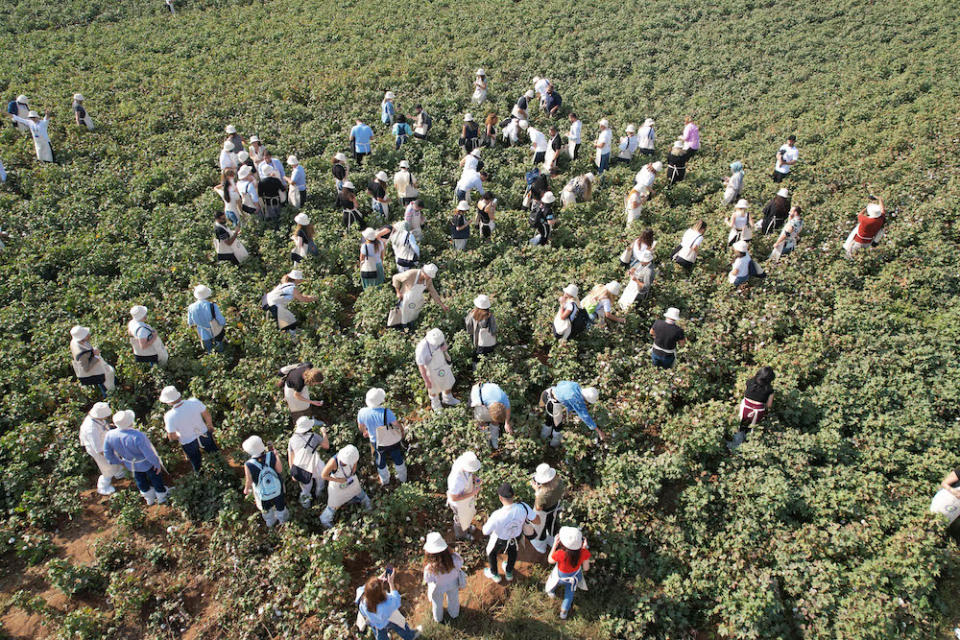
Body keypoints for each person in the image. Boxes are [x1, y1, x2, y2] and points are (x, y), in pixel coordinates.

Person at [104, 410, 168, 505]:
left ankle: (149, 499)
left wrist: (120, 462)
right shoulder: (137, 435)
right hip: (147, 463)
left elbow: (108, 454)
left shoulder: (110, 435)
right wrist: (156, 463)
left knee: (140, 480)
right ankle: (161, 497)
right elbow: (148, 453)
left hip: (130, 464)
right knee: (155, 478)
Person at [482, 483, 539, 583]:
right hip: (515, 537)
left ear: (500, 498)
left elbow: (485, 531)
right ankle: (509, 573)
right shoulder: (523, 507)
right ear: (513, 495)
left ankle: (495, 574)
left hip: (499, 539)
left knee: (491, 553)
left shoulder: (497, 515)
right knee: (513, 553)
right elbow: (537, 521)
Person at [160, 386, 219, 472]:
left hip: (188, 442)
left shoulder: (169, 416)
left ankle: (201, 480)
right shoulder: (194, 402)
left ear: (168, 402)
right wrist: (210, 426)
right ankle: (223, 469)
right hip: (204, 434)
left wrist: (180, 435)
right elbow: (207, 414)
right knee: (216, 456)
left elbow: (172, 436)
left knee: (197, 464)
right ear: (178, 395)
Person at [358, 387, 407, 486]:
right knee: (397, 456)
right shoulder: (386, 412)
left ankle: (385, 480)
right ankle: (403, 478)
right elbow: (396, 424)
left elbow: (361, 427)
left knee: (380, 460)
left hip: (376, 442)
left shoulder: (362, 412)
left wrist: (365, 431)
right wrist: (402, 433)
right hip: (390, 439)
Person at [355, 572, 422, 640]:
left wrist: (377, 580)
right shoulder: (386, 603)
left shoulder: (362, 599)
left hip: (375, 623)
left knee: (380, 636)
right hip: (390, 618)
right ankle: (410, 636)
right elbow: (396, 599)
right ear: (379, 593)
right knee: (401, 625)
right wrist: (391, 583)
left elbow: (365, 588)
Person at [79, 402, 125, 495]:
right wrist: (110, 456)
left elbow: (103, 426)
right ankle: (103, 487)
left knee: (115, 459)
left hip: (105, 442)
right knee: (107, 467)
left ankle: (118, 472)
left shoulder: (97, 419)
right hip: (98, 450)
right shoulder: (91, 429)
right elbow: (99, 449)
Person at [546, 526, 592, 620]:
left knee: (552, 583)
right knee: (569, 594)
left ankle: (551, 592)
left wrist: (554, 545)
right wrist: (584, 548)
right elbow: (586, 568)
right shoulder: (584, 552)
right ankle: (564, 612)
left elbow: (550, 560)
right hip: (574, 577)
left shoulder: (561, 553)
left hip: (560, 576)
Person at [320, 444, 372, 528]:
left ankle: (368, 507)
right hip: (337, 485)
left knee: (359, 492)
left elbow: (354, 467)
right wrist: (339, 480)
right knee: (334, 504)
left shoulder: (353, 456)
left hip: (350, 479)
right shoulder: (333, 461)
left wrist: (351, 474)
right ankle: (325, 520)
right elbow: (323, 475)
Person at [539, 381, 605, 446]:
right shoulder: (576, 399)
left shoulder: (576, 385)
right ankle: (553, 445)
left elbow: (560, 383)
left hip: (547, 392)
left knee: (550, 419)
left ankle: (543, 437)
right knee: (558, 427)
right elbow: (585, 416)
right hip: (552, 403)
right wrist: (599, 431)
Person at [242, 435, 289, 527]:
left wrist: (246, 489)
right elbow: (279, 470)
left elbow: (249, 480)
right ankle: (283, 521)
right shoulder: (271, 455)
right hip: (277, 488)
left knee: (266, 507)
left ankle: (270, 522)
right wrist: (276, 455)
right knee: (280, 505)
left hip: (263, 492)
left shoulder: (248, 464)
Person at [422, 532, 465, 623]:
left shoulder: (429, 568)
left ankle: (438, 618)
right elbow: (460, 563)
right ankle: (454, 614)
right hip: (453, 584)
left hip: (437, 588)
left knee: (437, 603)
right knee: (453, 599)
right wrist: (452, 552)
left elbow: (428, 580)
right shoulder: (454, 559)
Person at [287, 417, 329, 507]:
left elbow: (291, 457)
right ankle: (319, 499)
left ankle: (306, 507)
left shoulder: (292, 440)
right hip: (315, 465)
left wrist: (293, 473)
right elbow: (326, 446)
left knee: (305, 489)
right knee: (320, 483)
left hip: (301, 467)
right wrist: (324, 433)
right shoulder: (314, 436)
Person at [730, 367, 776, 448]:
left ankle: (736, 442)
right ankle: (749, 443)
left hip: (745, 409)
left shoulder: (750, 381)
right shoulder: (770, 390)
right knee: (751, 428)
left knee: (740, 426)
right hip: (758, 413)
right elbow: (769, 405)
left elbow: (746, 394)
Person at [390, 263, 447, 329]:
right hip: (405, 299)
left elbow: (433, 292)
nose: (430, 278)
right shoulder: (411, 274)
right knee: (402, 317)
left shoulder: (428, 280)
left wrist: (442, 305)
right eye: (429, 276)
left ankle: (410, 329)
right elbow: (395, 278)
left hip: (416, 301)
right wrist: (398, 292)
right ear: (424, 273)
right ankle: (402, 329)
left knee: (412, 317)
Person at [416, 328, 460, 411]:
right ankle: (436, 405)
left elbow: (444, 345)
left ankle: (448, 399)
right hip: (431, 370)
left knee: (448, 382)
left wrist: (444, 347)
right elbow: (420, 366)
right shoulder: (421, 348)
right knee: (433, 389)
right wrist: (426, 381)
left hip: (442, 364)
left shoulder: (439, 336)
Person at [264, 270, 317, 334]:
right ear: (296, 279)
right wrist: (315, 298)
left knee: (287, 326)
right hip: (276, 307)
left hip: (268, 305)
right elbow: (303, 299)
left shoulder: (284, 285)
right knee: (291, 327)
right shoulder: (291, 288)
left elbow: (298, 296)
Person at [529, 463, 565, 554]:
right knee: (552, 525)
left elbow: (538, 508)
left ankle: (541, 547)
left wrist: (537, 491)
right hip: (555, 507)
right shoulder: (559, 482)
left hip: (544, 512)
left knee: (540, 530)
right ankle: (552, 542)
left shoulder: (542, 494)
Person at [70, 325, 115, 396]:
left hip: (97, 368)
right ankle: (110, 398)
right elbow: (86, 368)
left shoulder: (77, 341)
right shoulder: (81, 353)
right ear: (82, 338)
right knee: (105, 386)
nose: (89, 335)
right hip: (94, 372)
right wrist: (96, 356)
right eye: (86, 334)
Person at [447, 451, 482, 541]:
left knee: (467, 515)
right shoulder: (456, 480)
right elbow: (454, 497)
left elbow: (470, 473)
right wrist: (473, 493)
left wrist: (475, 478)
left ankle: (467, 527)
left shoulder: (462, 462)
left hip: (466, 500)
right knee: (460, 520)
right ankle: (461, 535)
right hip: (458, 504)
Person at [470, 382, 512, 450]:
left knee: (495, 421)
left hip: (491, 392)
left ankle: (494, 440)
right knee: (481, 421)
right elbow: (476, 412)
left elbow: (508, 408)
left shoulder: (503, 398)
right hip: (479, 395)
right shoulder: (480, 398)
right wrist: (478, 422)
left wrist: (507, 423)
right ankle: (485, 441)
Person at [187, 284, 226, 353]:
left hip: (202, 331)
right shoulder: (212, 305)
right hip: (215, 329)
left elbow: (190, 322)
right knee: (219, 346)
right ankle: (222, 356)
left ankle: (211, 358)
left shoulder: (191, 307)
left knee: (209, 350)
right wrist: (223, 324)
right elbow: (220, 319)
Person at [465, 294, 497, 366]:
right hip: (489, 343)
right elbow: (493, 329)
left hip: (478, 342)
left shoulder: (473, 314)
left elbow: (468, 325)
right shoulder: (489, 315)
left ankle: (476, 372)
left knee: (477, 358)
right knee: (488, 358)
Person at [931, 470, 960, 538]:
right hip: (946, 499)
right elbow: (944, 483)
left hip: (954, 510)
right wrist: (955, 492)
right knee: (931, 521)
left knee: (939, 529)